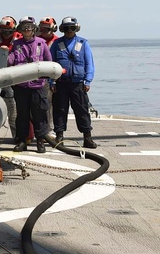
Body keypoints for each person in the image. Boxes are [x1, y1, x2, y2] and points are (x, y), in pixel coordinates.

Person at [50, 16, 97, 149]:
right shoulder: (57, 44)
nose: (69, 31)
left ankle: (87, 137)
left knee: (82, 111)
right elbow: (51, 63)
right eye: (66, 28)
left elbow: (89, 63)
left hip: (78, 84)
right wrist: (51, 82)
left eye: (72, 28)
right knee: (59, 110)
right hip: (61, 83)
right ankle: (59, 137)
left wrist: (88, 81)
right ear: (62, 29)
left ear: (76, 28)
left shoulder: (83, 43)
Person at [7, 16, 52, 153]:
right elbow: (10, 62)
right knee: (22, 115)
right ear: (20, 29)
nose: (27, 29)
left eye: (29, 27)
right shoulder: (16, 45)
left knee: (40, 114)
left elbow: (49, 62)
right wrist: (5, 53)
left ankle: (40, 141)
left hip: (38, 86)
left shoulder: (41, 43)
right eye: (24, 27)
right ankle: (22, 141)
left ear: (34, 29)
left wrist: (50, 81)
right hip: (21, 86)